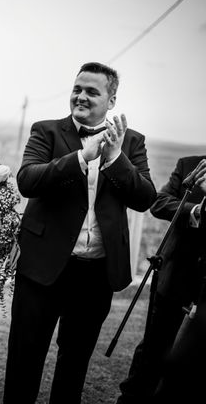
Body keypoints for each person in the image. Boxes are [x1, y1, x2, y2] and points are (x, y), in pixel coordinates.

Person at [3, 61, 157, 404]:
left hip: (95, 275)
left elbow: (145, 198)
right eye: (77, 89)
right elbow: (28, 180)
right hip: (41, 270)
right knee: (24, 361)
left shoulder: (131, 142)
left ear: (111, 100)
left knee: (74, 366)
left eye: (92, 91)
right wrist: (80, 157)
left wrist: (116, 159)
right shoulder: (46, 131)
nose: (81, 96)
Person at [116, 156, 206, 404]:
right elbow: (159, 202)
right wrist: (197, 210)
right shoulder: (190, 165)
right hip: (176, 278)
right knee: (154, 348)